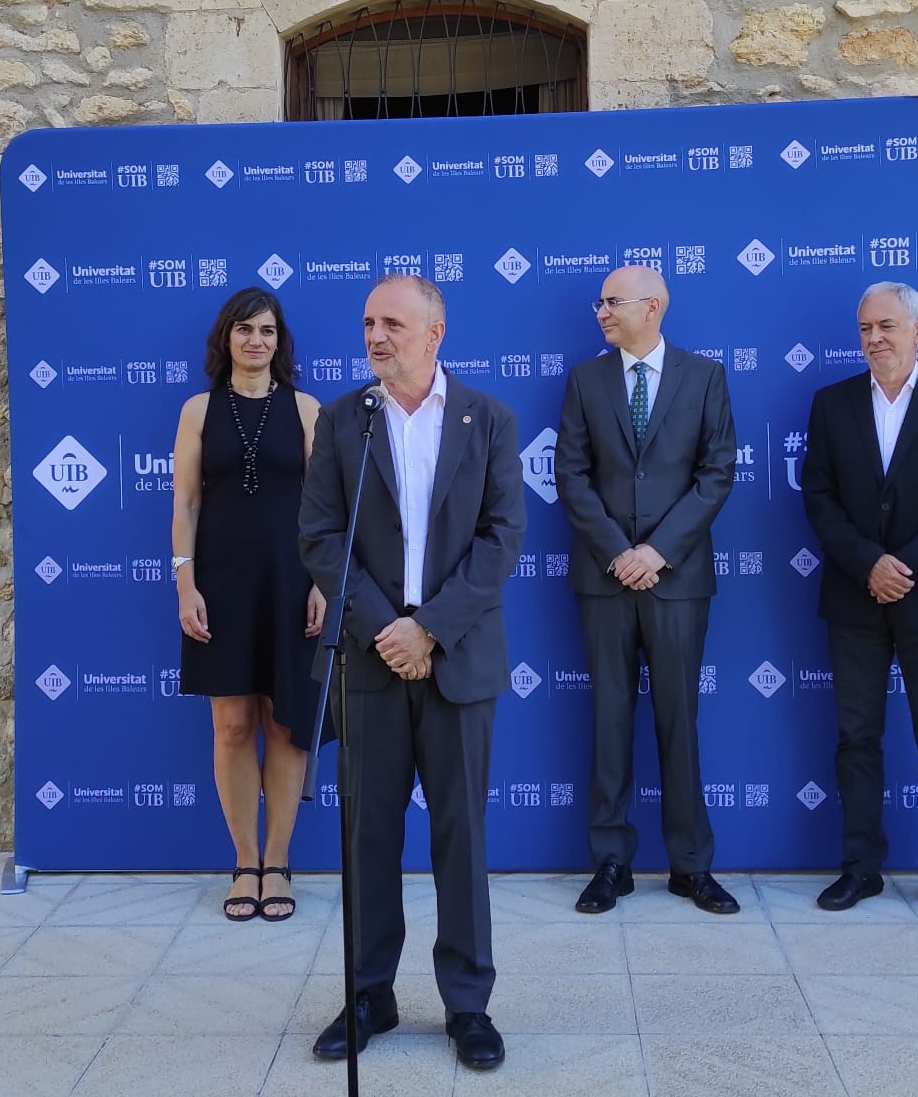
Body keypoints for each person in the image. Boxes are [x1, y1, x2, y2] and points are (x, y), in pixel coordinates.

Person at [298, 274, 525, 1070]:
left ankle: (468, 1004)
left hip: (458, 660)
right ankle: (370, 994)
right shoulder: (342, 421)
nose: (376, 336)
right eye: (368, 322)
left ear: (436, 333)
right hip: (371, 660)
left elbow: (502, 540)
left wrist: (428, 629)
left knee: (461, 834)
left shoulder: (488, 418)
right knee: (369, 834)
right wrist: (384, 629)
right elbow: (323, 536)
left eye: (393, 322)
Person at [802, 280, 918, 923]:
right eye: (864, 328)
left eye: (886, 326)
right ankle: (861, 868)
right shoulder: (830, 405)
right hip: (855, 599)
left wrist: (902, 566)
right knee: (857, 738)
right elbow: (818, 498)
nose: (873, 338)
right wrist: (868, 565)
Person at [554, 264, 739, 917]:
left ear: (653, 306)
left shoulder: (705, 377)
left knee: (678, 722)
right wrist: (618, 554)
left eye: (613, 301)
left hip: (678, 580)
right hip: (604, 582)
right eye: (599, 302)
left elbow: (718, 473)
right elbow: (570, 475)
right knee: (608, 721)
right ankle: (611, 861)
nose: (601, 312)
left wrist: (658, 552)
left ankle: (692, 866)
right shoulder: (584, 380)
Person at [172, 287, 326, 922]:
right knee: (232, 725)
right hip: (223, 585)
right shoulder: (198, 410)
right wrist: (186, 584)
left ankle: (278, 862)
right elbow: (185, 503)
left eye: (266, 331)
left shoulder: (309, 408)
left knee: (285, 724)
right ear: (226, 338)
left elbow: (327, 509)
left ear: (279, 341)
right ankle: (243, 862)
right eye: (244, 330)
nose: (255, 341)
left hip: (294, 583)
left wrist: (323, 581)